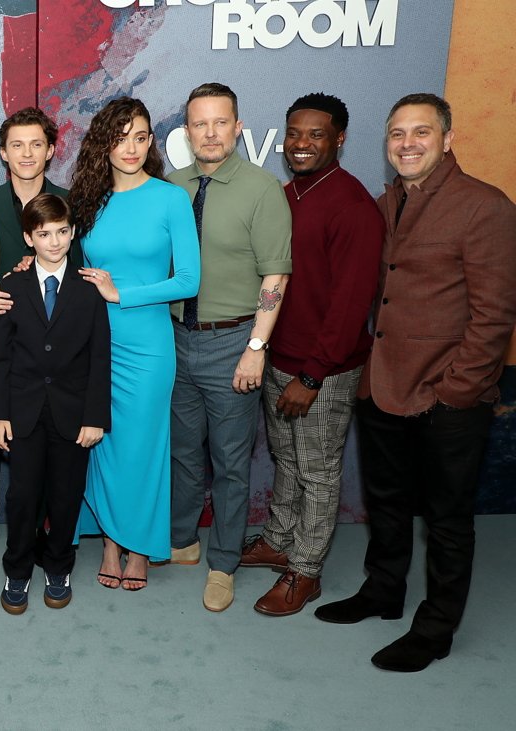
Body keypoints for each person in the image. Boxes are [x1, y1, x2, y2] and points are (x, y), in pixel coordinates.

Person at [315, 93, 516, 672]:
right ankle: (383, 591)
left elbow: (496, 314)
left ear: (447, 139)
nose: (407, 143)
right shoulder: (386, 203)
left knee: (448, 519)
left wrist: (458, 391)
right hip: (382, 385)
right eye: (397, 133)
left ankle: (436, 627)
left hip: (449, 396)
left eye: (421, 132)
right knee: (387, 502)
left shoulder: (485, 207)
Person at [243, 94, 383, 617]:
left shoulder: (352, 207)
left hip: (321, 369)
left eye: (315, 134)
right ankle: (279, 538)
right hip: (279, 357)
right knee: (286, 460)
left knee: (320, 472)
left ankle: (304, 570)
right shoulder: (289, 194)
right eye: (294, 133)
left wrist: (313, 373)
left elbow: (350, 306)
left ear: (340, 138)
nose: (301, 144)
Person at [165, 83, 292, 612]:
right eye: (199, 124)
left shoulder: (263, 189)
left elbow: (275, 273)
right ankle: (183, 540)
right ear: (187, 131)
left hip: (234, 343)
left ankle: (224, 564)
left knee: (231, 462)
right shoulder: (170, 187)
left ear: (237, 127)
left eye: (221, 122)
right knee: (184, 453)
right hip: (175, 341)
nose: (210, 133)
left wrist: (257, 346)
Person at [65, 97, 200, 592]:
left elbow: (188, 279)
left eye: (141, 137)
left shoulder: (170, 199)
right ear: (105, 142)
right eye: (121, 137)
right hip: (94, 341)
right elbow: (59, 254)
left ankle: (140, 545)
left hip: (147, 344)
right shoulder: (90, 201)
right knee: (100, 439)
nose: (131, 147)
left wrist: (123, 293)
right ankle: (110, 541)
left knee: (142, 444)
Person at [0, 194, 110, 614]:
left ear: (73, 232)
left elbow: (99, 355)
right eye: (44, 234)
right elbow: (1, 356)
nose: (54, 241)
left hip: (73, 414)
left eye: (61, 232)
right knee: (21, 496)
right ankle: (17, 570)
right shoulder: (11, 286)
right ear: (28, 238)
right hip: (22, 412)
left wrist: (95, 416)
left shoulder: (89, 288)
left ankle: (58, 566)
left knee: (65, 495)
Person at [0, 107, 69, 567]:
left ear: (51, 149)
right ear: (3, 153)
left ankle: (42, 529)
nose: (27, 154)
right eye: (17, 145)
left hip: (51, 344)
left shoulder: (70, 201)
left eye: (36, 144)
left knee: (46, 436)